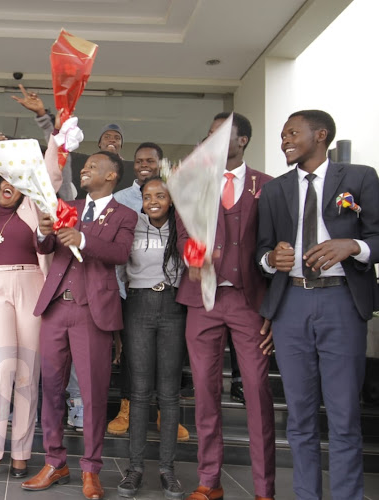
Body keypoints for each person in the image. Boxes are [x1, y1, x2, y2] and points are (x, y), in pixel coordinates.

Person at [257, 109, 379, 500]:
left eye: (292, 133)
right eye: (281, 135)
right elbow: (262, 248)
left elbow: (378, 236)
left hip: (342, 302)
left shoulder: (359, 178)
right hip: (290, 303)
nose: (284, 141)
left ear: (321, 135)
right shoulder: (275, 190)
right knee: (299, 415)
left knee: (344, 416)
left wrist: (353, 246)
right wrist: (268, 259)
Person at [22, 150, 136, 500]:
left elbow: (121, 253)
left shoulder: (126, 214)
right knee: (52, 389)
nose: (85, 169)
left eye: (93, 166)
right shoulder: (65, 205)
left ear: (112, 175)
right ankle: (55, 462)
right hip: (56, 307)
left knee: (92, 393)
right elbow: (44, 246)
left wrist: (82, 238)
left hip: (93, 312)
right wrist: (43, 232)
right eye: (84, 166)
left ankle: (91, 469)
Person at [178, 112, 275, 500]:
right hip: (203, 301)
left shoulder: (267, 186)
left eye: (223, 134)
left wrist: (273, 309)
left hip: (249, 302)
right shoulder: (195, 183)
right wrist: (195, 257)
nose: (213, 140)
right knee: (204, 392)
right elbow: (185, 232)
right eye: (210, 133)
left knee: (256, 392)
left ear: (243, 140)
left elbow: (274, 245)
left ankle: (264, 489)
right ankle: (209, 481)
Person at [0, 131, 63, 478]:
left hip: (32, 285)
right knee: (0, 369)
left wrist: (50, 132)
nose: (9, 184)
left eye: (16, 178)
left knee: (27, 372)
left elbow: (51, 173)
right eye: (4, 178)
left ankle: (21, 454)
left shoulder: (33, 204)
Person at [116, 177, 185, 498]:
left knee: (169, 393)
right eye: (147, 196)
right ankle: (135, 468)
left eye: (160, 195)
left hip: (173, 307)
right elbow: (118, 268)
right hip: (139, 307)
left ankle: (168, 470)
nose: (153, 200)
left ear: (172, 199)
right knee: (140, 392)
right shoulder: (133, 225)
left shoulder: (182, 228)